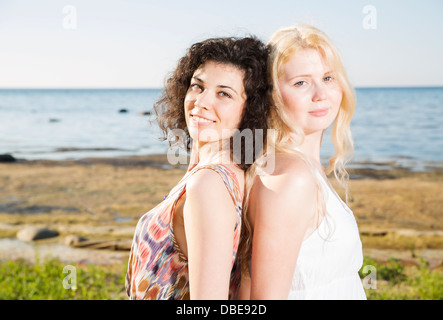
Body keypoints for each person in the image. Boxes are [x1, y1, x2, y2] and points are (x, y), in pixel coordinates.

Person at [125, 36, 271, 300]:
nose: (201, 102)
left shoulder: (210, 184)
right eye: (198, 86)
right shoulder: (228, 174)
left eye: (224, 93)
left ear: (250, 109)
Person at [239, 25, 366, 300]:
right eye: (301, 82)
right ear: (271, 94)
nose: (321, 94)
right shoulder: (291, 178)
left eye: (328, 78)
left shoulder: (304, 168)